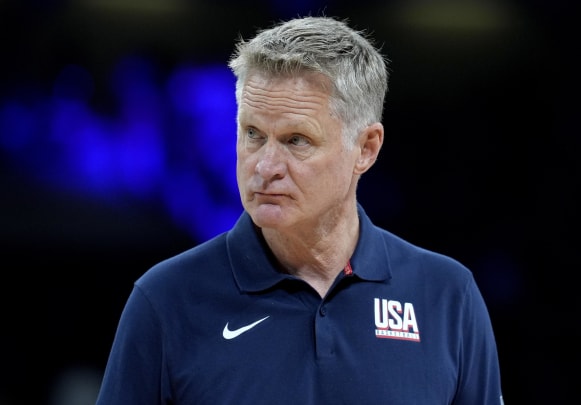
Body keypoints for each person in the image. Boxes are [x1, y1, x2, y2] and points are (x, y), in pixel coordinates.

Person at [95, 15, 504, 404]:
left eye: (296, 140)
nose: (265, 167)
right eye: (252, 134)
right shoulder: (165, 300)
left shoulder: (448, 297)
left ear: (366, 149)